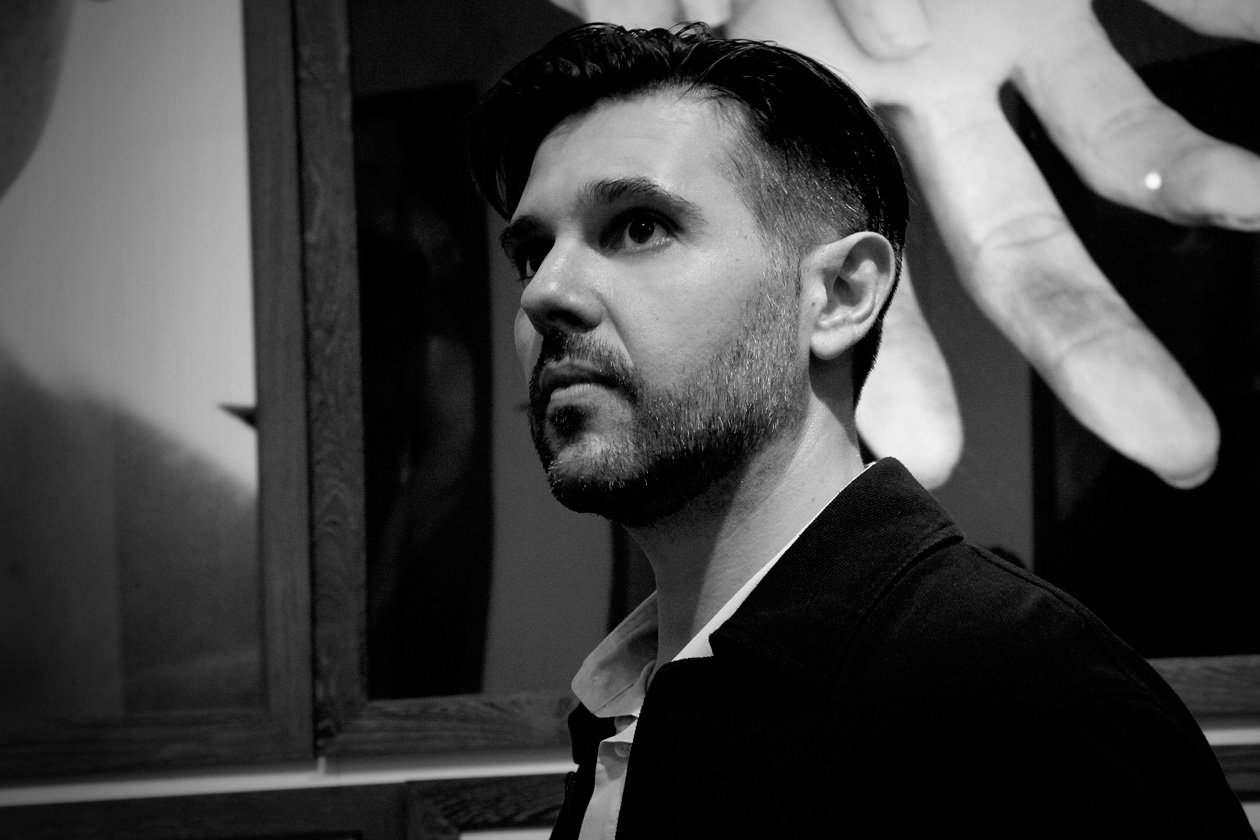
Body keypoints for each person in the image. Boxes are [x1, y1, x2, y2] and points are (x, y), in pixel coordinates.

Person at [467, 21, 1252, 839]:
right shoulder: (633, 701)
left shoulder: (1030, 703)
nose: (544, 293)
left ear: (841, 295)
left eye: (638, 226)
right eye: (532, 253)